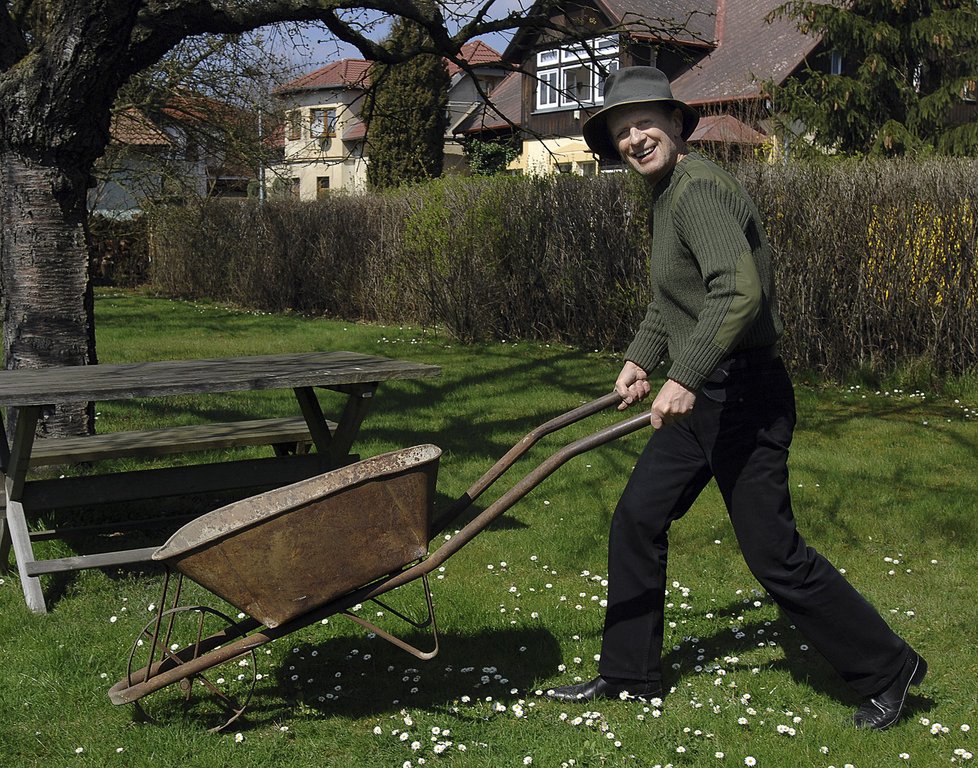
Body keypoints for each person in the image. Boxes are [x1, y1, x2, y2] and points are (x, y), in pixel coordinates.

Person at [544, 66, 926, 731]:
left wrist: (682, 376)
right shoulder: (667, 193)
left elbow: (737, 292)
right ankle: (629, 673)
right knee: (637, 518)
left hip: (742, 396)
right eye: (621, 129)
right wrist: (641, 358)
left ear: (672, 120)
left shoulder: (694, 191)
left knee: (773, 554)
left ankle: (889, 669)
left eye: (644, 122)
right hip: (706, 395)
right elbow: (679, 298)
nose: (635, 138)